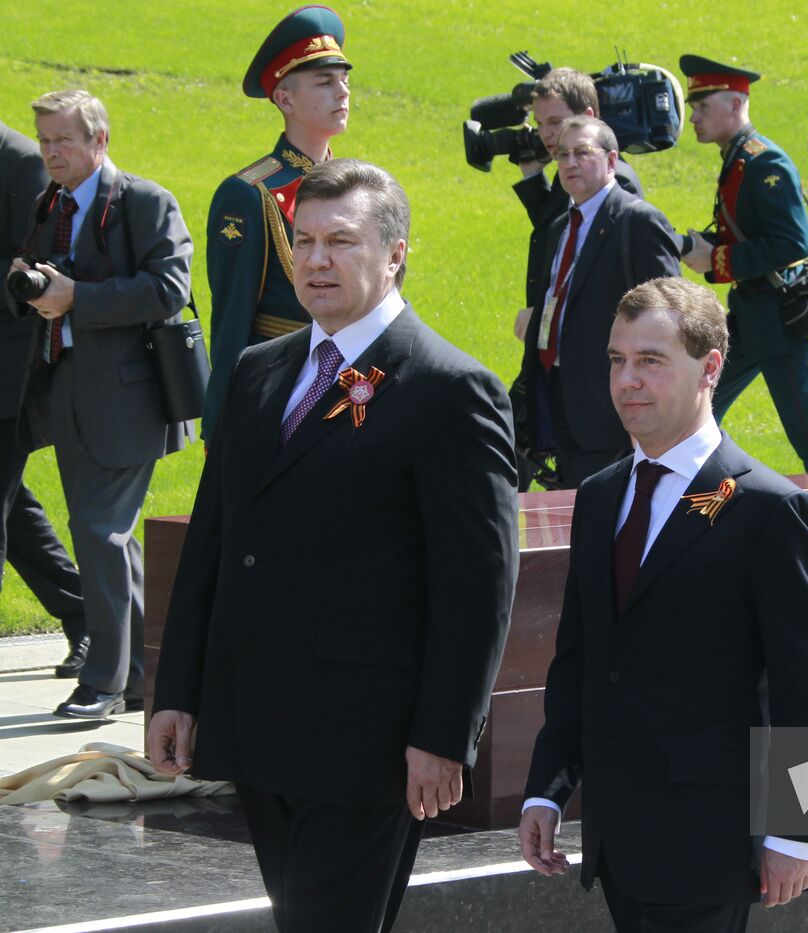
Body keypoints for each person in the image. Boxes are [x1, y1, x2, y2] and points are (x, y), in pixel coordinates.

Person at [149, 158, 518, 931]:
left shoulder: (448, 388)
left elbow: (477, 585)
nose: (315, 261)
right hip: (257, 724)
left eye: (340, 242)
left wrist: (443, 736)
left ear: (396, 253)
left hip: (369, 745)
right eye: (303, 242)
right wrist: (178, 688)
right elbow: (215, 540)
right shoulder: (258, 372)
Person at [519, 276, 808, 932]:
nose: (627, 379)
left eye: (651, 361)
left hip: (709, 840)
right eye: (617, 360)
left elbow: (805, 683)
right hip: (617, 839)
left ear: (710, 368)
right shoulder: (603, 495)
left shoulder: (768, 508)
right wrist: (548, 788)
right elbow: (580, 657)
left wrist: (796, 830)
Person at [8, 90, 193, 719]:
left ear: (99, 140)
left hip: (126, 401)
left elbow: (169, 289)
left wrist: (77, 298)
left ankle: (105, 684)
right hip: (65, 389)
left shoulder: (144, 201)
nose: (52, 152)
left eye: (64, 139)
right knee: (107, 537)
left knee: (98, 533)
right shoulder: (50, 203)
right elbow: (43, 289)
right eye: (45, 141)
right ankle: (143, 675)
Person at [202, 4, 353, 441]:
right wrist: (223, 419)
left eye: (344, 80)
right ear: (284, 99)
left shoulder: (358, 187)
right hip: (284, 382)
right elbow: (232, 321)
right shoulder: (249, 194)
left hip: (352, 379)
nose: (342, 92)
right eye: (325, 82)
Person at [677, 54, 808, 473]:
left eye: (703, 107)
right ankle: (697, 488)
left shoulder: (764, 161)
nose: (694, 118)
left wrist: (717, 259)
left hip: (777, 323)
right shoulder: (739, 156)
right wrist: (699, 245)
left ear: (736, 105)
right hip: (750, 316)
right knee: (695, 410)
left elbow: (794, 242)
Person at [518, 116, 680, 488]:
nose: (570, 163)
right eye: (562, 155)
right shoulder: (561, 225)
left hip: (613, 402)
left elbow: (670, 317)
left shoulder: (637, 220)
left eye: (582, 153)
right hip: (557, 392)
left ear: (611, 161)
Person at [509, 67, 643, 489]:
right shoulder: (569, 204)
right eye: (543, 126)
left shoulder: (621, 199)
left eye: (556, 123)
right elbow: (553, 234)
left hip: (597, 384)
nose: (549, 139)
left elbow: (658, 306)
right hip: (556, 365)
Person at [0, 118, 86, 677]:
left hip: (7, 374)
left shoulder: (24, 163)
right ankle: (87, 616)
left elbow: (32, 273)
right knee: (15, 508)